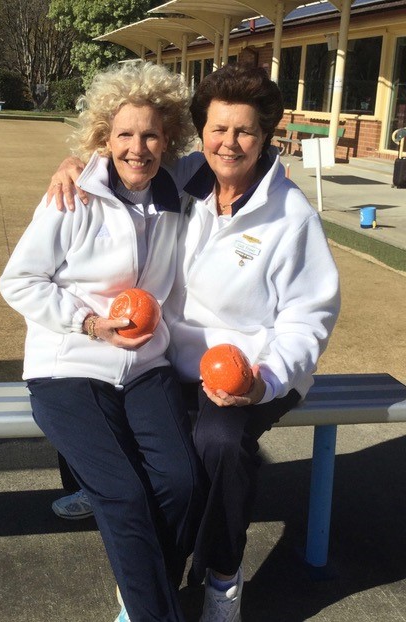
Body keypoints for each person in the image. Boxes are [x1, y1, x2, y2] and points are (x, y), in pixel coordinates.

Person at [46, 63, 341, 622]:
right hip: (164, 361)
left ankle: (222, 576)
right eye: (218, 129)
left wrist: (266, 379)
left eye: (245, 131)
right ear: (200, 131)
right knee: (156, 456)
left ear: (266, 136)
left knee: (219, 444)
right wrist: (74, 167)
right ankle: (152, 582)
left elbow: (309, 317)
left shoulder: (291, 216)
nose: (229, 143)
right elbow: (122, 161)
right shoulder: (180, 178)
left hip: (251, 368)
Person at [0, 61, 206, 622]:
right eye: (123, 135)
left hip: (144, 364)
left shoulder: (181, 190)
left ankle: (142, 591)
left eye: (150, 135)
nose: (137, 148)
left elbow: (247, 161)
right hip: (69, 364)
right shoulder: (73, 196)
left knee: (184, 482)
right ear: (103, 138)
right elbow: (17, 281)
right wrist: (89, 325)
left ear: (170, 139)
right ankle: (153, 612)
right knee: (122, 493)